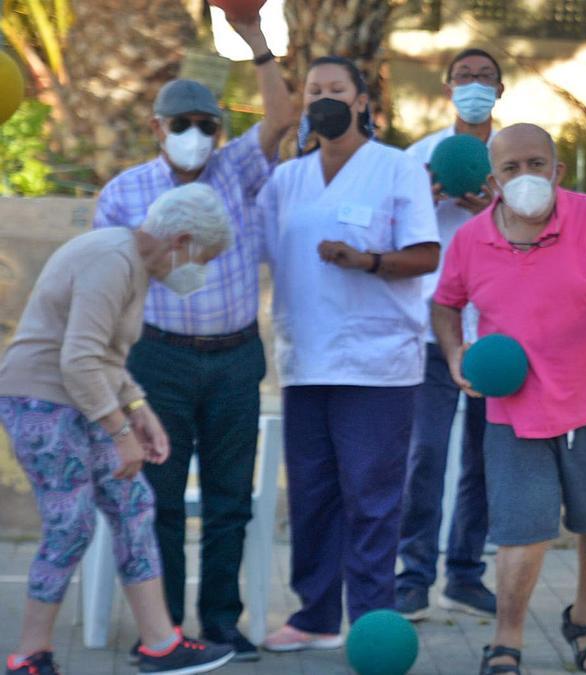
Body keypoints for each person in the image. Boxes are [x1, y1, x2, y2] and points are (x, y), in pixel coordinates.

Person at [433, 123, 586, 674]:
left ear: (557, 170)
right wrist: (454, 353)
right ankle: (507, 639)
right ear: (492, 181)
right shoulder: (471, 239)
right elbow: (445, 304)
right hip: (513, 412)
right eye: (511, 168)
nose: (526, 177)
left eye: (536, 164)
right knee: (523, 532)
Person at [91, 13, 290, 660]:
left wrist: (256, 38)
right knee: (163, 499)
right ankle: (169, 627)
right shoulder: (123, 194)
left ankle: (223, 621)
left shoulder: (237, 172)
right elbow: (105, 286)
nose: (195, 135)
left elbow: (284, 118)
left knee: (232, 497)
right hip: (159, 360)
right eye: (181, 124)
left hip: (235, 357)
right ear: (156, 128)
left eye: (207, 125)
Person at [0, 185, 237, 675]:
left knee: (134, 505)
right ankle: (28, 655)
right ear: (183, 240)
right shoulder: (113, 259)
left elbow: (104, 357)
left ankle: (159, 642)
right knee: (72, 525)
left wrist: (137, 406)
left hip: (78, 398)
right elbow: (79, 359)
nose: (202, 271)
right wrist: (121, 431)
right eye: (204, 258)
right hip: (41, 400)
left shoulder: (133, 263)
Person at [255, 55, 439, 652]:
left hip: (378, 364)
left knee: (371, 495)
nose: (323, 99)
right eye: (313, 91)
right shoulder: (286, 180)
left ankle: (370, 623)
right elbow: (250, 248)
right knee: (311, 494)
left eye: (336, 89)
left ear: (362, 100)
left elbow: (426, 255)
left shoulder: (395, 168)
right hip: (305, 359)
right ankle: (313, 617)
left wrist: (368, 261)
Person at [394, 47, 504, 622]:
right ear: (447, 89)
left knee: (483, 460)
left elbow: (540, 226)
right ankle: (412, 577)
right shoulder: (417, 156)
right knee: (425, 455)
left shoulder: (513, 160)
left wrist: (494, 205)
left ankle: (464, 575)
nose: (474, 86)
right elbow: (394, 228)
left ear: (500, 91)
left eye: (485, 78)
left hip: (496, 333)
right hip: (431, 331)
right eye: (464, 77)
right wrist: (426, 197)